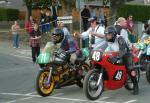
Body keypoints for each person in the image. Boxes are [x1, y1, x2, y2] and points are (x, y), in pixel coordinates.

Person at [104, 25, 139, 95]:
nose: (107, 36)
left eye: (109, 34)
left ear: (114, 34)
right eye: (106, 34)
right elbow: (105, 49)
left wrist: (117, 58)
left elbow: (122, 50)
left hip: (126, 53)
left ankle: (136, 86)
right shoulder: (108, 40)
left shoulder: (120, 39)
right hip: (116, 54)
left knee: (129, 69)